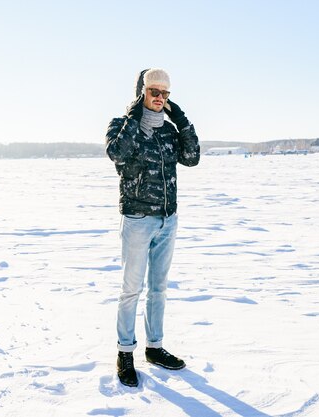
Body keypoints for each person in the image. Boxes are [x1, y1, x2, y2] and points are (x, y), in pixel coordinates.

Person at [105, 68, 200, 387]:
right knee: (131, 289)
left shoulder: (169, 132)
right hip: (136, 220)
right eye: (153, 92)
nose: (159, 98)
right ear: (140, 93)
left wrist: (182, 120)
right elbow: (117, 153)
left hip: (167, 219)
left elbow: (192, 157)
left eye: (165, 94)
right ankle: (125, 353)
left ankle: (155, 348)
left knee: (159, 288)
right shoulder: (121, 126)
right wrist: (134, 115)